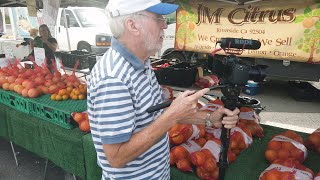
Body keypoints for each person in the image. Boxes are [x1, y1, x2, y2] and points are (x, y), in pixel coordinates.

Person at [87, 0, 240, 179]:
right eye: (158, 18)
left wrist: (208, 118)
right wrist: (172, 116)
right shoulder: (113, 78)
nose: (165, 25)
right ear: (132, 25)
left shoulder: (142, 63)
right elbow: (116, 157)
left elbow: (151, 117)